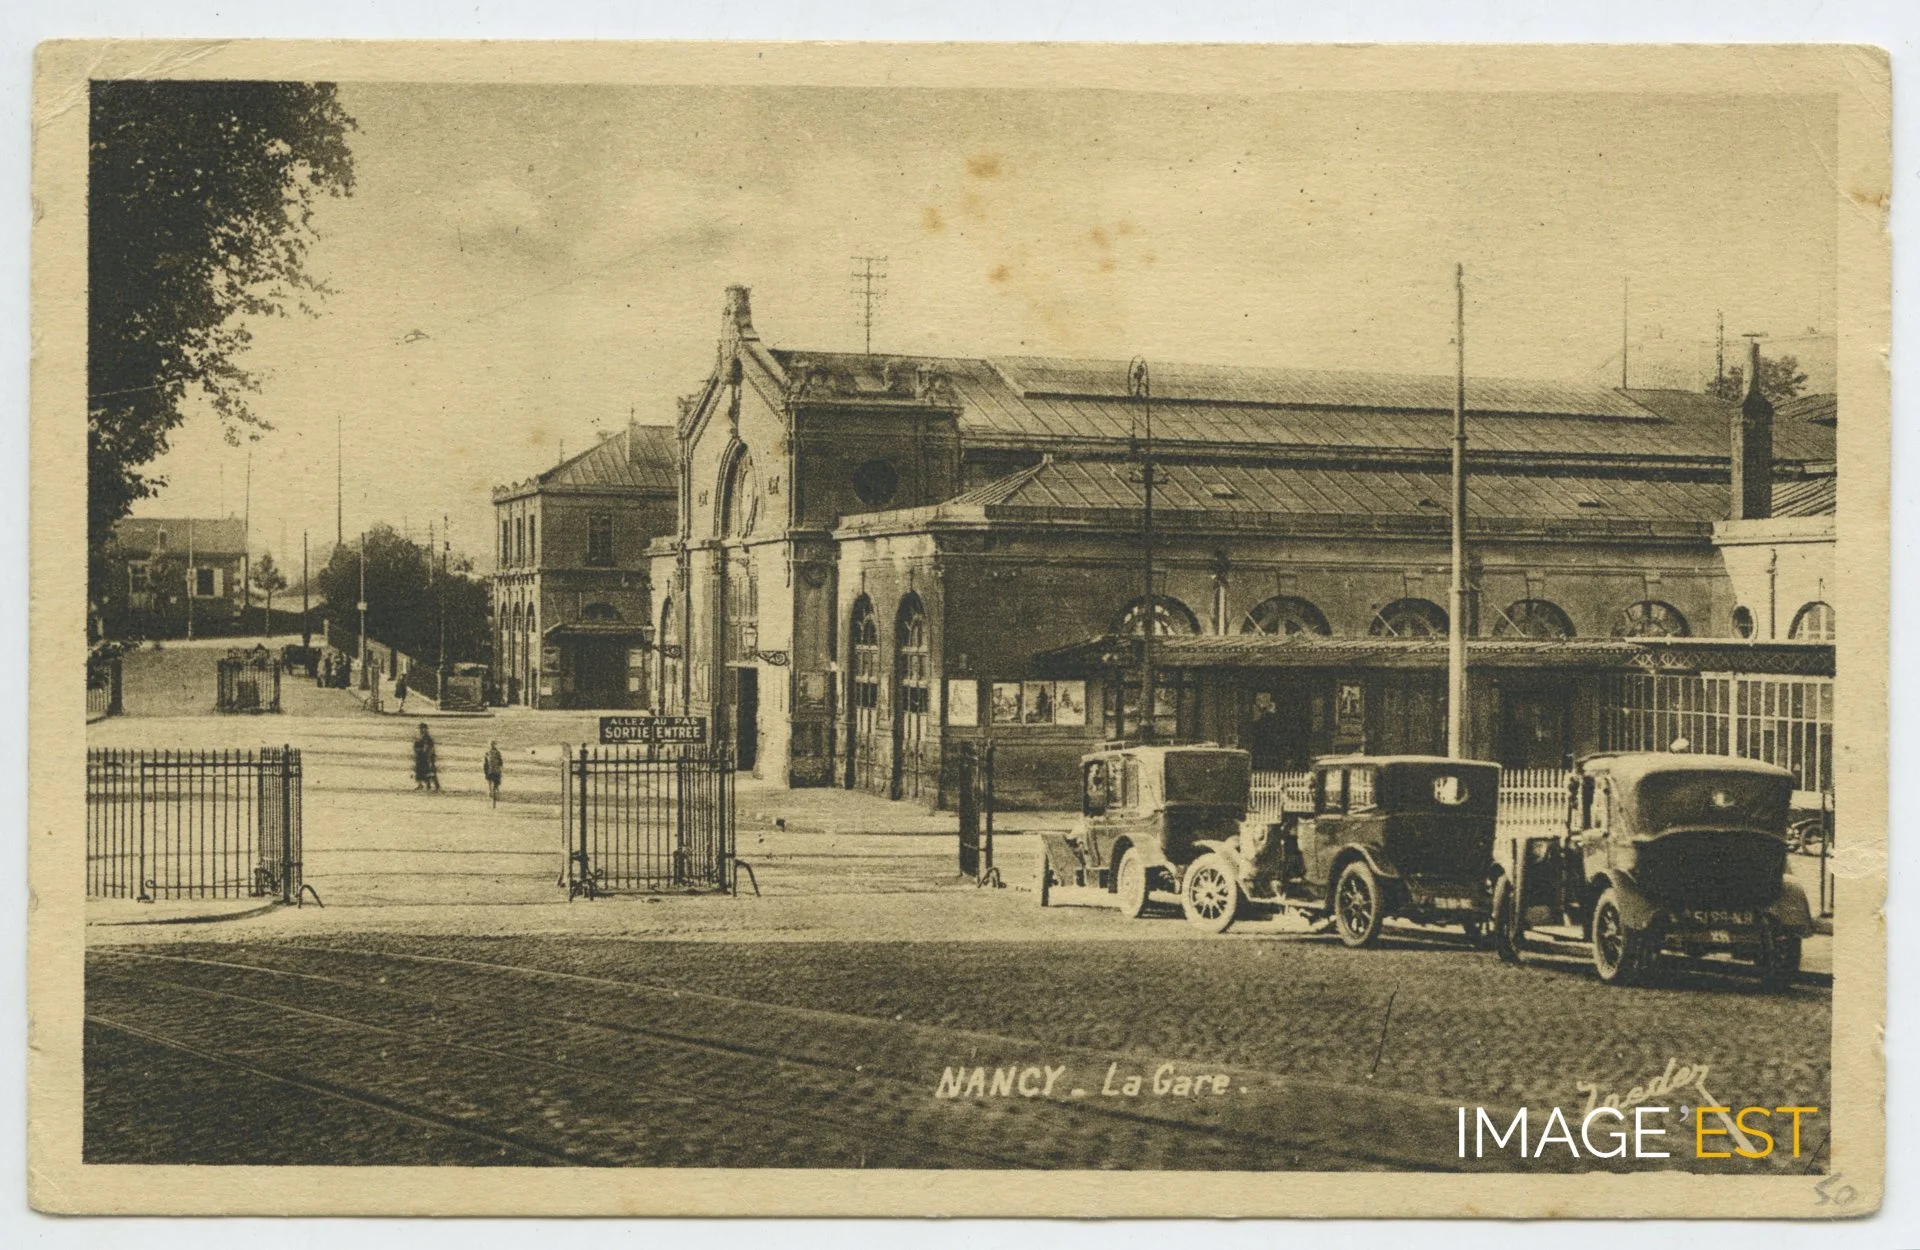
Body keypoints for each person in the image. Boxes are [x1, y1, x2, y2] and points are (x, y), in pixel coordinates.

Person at [413, 723, 439, 791]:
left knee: (430, 772)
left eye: (422, 728)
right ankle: (426, 785)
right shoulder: (422, 737)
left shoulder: (427, 738)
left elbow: (430, 748)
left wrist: (428, 755)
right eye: (421, 728)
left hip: (427, 757)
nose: (421, 730)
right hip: (423, 757)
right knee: (425, 771)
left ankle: (435, 786)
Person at [483, 740, 504, 807]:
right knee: (496, 782)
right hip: (496, 771)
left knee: (490, 782)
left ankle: (491, 792)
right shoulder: (498, 753)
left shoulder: (487, 753)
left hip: (490, 771)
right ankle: (495, 790)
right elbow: (501, 763)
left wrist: (485, 772)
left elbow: (485, 764)